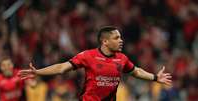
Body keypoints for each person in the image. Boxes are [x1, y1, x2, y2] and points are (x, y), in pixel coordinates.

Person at [18, 26, 172, 101]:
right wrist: (38, 72)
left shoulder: (122, 58)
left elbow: (136, 71)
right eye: (117, 38)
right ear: (105, 41)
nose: (121, 40)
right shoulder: (88, 56)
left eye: (120, 37)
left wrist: (154, 78)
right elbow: (61, 68)